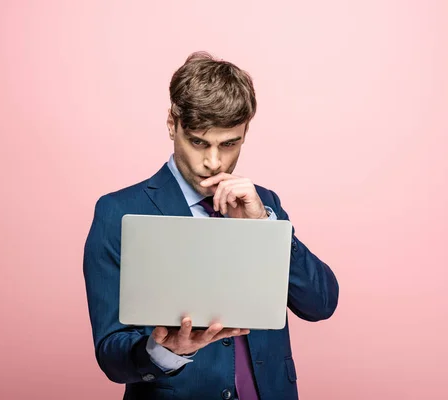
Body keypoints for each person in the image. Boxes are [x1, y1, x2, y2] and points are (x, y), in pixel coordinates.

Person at [83, 51, 339, 400]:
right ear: (173, 124)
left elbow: (320, 303)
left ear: (245, 131)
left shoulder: (264, 204)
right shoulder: (118, 212)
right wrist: (166, 351)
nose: (213, 162)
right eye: (199, 142)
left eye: (229, 144)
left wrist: (263, 225)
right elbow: (111, 353)